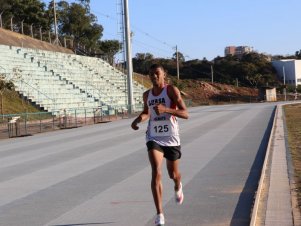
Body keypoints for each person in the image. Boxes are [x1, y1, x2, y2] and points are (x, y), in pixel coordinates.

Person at [131, 64, 189, 226]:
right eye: (151, 74)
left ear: (164, 75)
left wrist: (166, 110)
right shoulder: (147, 95)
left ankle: (178, 185)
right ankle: (160, 214)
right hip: (154, 137)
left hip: (171, 137)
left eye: (157, 73)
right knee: (156, 171)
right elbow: (146, 112)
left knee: (173, 175)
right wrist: (138, 120)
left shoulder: (171, 91)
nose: (154, 76)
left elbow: (185, 113)